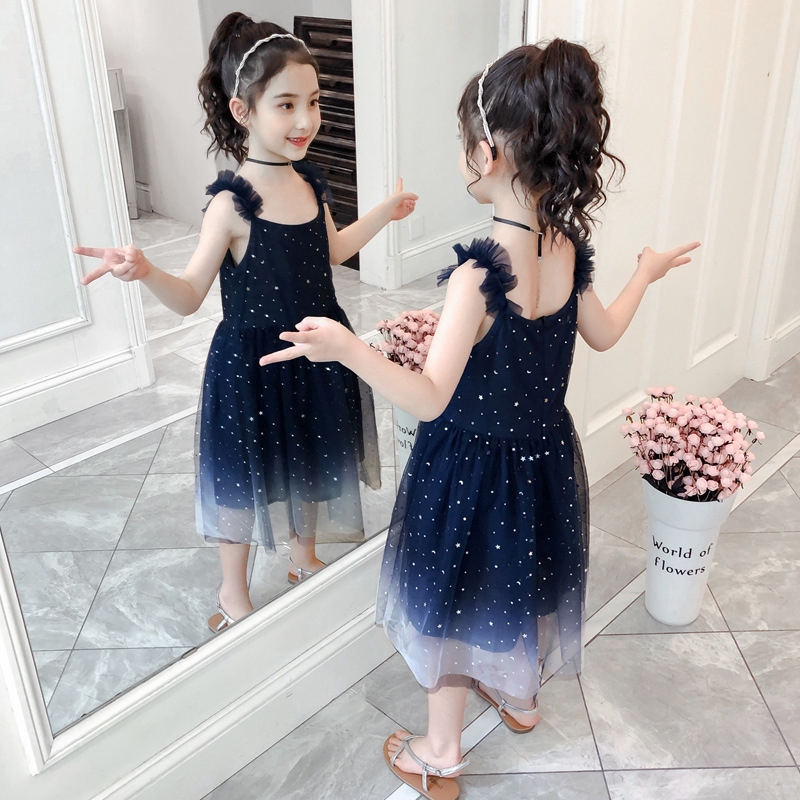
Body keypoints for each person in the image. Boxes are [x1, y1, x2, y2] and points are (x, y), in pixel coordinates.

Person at [260, 39, 699, 800]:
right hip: (543, 456)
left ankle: (440, 753)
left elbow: (429, 397)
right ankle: (519, 696)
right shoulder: (566, 246)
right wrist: (644, 274)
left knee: (454, 600)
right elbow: (604, 334)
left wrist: (345, 348)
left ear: (487, 153)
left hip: (469, 466)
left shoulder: (480, 272)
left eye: (465, 139)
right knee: (518, 580)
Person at [73, 13, 417, 633]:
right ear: (243, 110)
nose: (306, 120)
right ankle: (233, 591)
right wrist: (145, 269)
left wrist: (384, 213)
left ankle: (303, 556)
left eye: (313, 102)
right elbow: (189, 296)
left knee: (312, 454)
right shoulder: (232, 204)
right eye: (286, 105)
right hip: (252, 364)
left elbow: (335, 249)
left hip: (315, 349)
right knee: (242, 477)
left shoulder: (311, 183)